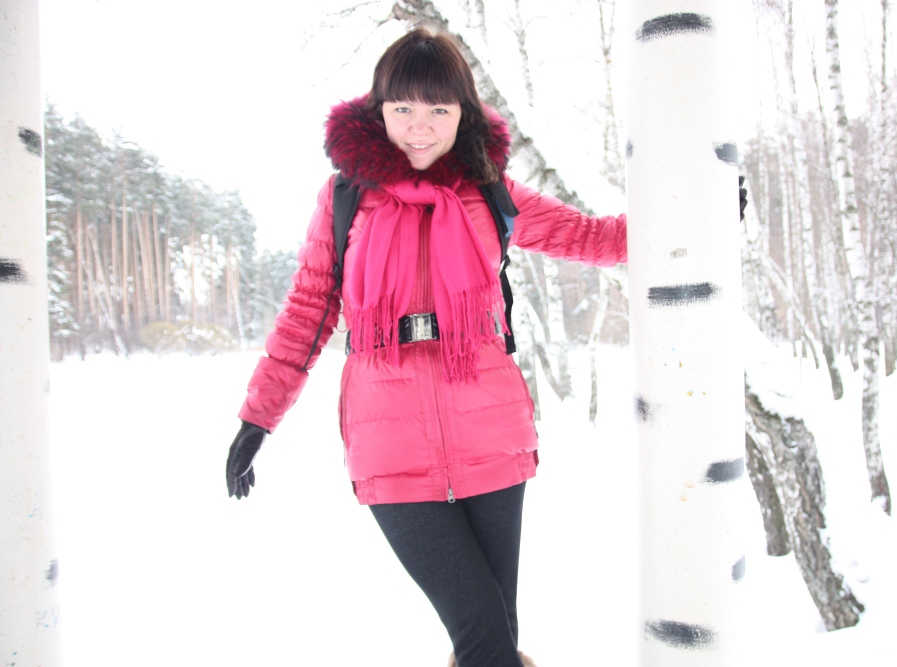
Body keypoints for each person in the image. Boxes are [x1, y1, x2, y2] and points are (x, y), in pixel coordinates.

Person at [225, 28, 627, 667]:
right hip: (390, 445)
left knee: (494, 637)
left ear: (463, 112)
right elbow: (307, 311)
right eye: (404, 107)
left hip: (492, 435)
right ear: (378, 108)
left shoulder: (490, 191)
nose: (420, 126)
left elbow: (593, 237)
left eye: (439, 108)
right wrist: (259, 416)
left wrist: (698, 215)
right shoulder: (344, 197)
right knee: (483, 635)